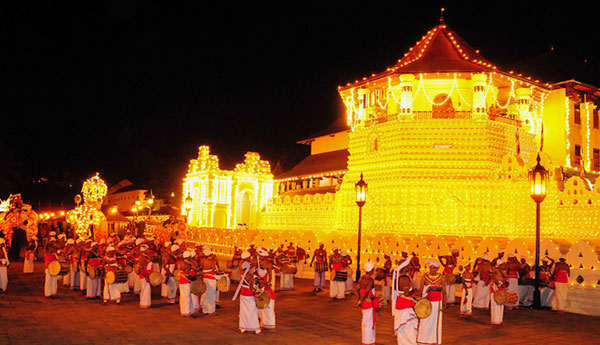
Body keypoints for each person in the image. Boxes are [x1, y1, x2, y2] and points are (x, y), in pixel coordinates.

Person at [417, 261, 445, 345]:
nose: (432, 269)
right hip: (426, 304)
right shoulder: (424, 277)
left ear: (437, 268)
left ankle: (433, 340)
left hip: (437, 303)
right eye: (430, 267)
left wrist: (445, 303)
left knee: (435, 322)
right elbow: (421, 290)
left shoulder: (442, 278)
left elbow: (444, 292)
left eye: (434, 267)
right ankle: (423, 339)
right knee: (424, 321)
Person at [392, 258, 418, 345]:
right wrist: (415, 291)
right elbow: (406, 293)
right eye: (409, 265)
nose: (410, 267)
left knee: (403, 331)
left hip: (401, 305)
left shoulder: (398, 277)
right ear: (404, 267)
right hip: (405, 307)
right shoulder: (404, 278)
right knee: (408, 330)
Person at [236, 251, 261, 334]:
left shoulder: (241, 267)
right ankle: (255, 328)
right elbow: (251, 288)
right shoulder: (250, 276)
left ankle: (243, 327)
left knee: (243, 311)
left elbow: (251, 265)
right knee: (252, 311)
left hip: (243, 294)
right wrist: (256, 294)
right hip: (249, 295)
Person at [357, 261, 377, 345]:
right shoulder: (370, 280)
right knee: (369, 323)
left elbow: (358, 289)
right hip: (368, 303)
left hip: (364, 303)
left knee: (365, 322)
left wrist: (360, 300)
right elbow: (367, 291)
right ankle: (367, 341)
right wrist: (361, 300)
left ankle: (370, 341)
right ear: (372, 270)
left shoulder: (361, 278)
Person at [200, 245, 218, 315]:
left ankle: (205, 309)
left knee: (205, 293)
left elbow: (201, 268)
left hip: (205, 277)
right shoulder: (211, 261)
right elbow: (215, 270)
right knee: (211, 294)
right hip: (211, 278)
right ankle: (211, 311)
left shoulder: (202, 260)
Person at [178, 250, 196, 317]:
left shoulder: (181, 263)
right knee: (186, 297)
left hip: (182, 281)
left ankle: (186, 311)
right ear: (188, 257)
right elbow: (187, 275)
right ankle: (186, 312)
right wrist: (193, 279)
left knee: (183, 297)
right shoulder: (187, 265)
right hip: (186, 282)